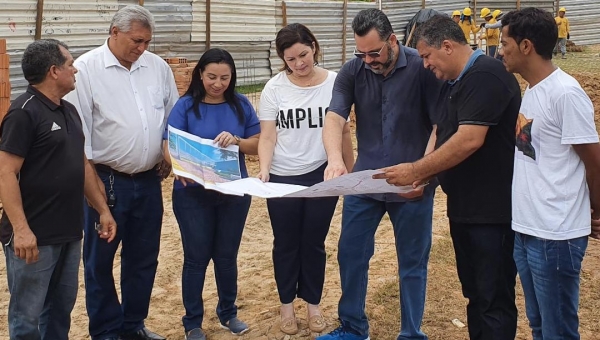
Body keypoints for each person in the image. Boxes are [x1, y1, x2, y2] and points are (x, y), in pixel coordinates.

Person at [375, 14, 521, 340]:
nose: (424, 65)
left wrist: (416, 170)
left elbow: (469, 139)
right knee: (476, 294)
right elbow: (442, 131)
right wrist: (423, 178)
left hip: (492, 213)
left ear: (447, 46)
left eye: (426, 56)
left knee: (492, 297)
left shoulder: (486, 75)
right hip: (466, 209)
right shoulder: (453, 84)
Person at [317, 8, 444, 340]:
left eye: (374, 52)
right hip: (366, 182)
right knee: (350, 253)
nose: (368, 60)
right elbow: (334, 117)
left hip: (413, 185)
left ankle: (411, 332)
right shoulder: (352, 70)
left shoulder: (423, 66)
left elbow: (439, 126)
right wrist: (334, 159)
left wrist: (423, 174)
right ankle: (353, 327)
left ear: (392, 40)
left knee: (412, 262)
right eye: (362, 53)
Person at [64, 5, 178, 340]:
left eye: (147, 41)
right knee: (100, 262)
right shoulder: (85, 70)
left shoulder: (157, 68)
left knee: (144, 258)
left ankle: (133, 325)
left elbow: (173, 119)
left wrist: (168, 152)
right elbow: (78, 134)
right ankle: (106, 331)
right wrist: (93, 190)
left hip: (148, 180)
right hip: (105, 181)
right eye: (136, 40)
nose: (142, 48)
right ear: (114, 32)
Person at [0, 39, 117, 340]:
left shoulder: (68, 111)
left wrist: (102, 209)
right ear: (54, 71)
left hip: (68, 230)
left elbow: (81, 166)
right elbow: (5, 173)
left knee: (60, 310)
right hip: (34, 237)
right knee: (27, 316)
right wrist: (22, 230)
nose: (75, 69)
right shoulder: (23, 113)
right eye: (69, 65)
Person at [500, 8, 600, 339]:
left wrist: (595, 211)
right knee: (540, 324)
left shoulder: (565, 94)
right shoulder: (534, 90)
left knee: (558, 329)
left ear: (526, 45)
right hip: (528, 228)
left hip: (555, 235)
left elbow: (594, 160)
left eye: (505, 43)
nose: (501, 50)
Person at [257, 23, 354, 335]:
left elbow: (344, 130)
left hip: (321, 174)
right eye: (291, 60)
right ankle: (287, 307)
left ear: (314, 46)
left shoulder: (336, 83)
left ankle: (313, 305)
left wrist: (351, 171)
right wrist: (264, 168)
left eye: (303, 54)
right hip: (282, 177)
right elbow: (268, 136)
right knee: (285, 243)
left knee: (314, 243)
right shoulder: (274, 89)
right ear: (282, 61)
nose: (299, 64)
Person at [163, 48, 260, 340]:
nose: (218, 84)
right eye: (212, 77)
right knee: (196, 257)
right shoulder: (186, 106)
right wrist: (177, 166)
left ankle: (228, 313)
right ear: (200, 75)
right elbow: (169, 144)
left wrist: (238, 141)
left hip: (233, 192)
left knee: (227, 256)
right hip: (193, 194)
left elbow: (257, 144)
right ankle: (193, 321)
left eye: (225, 78)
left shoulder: (241, 105)